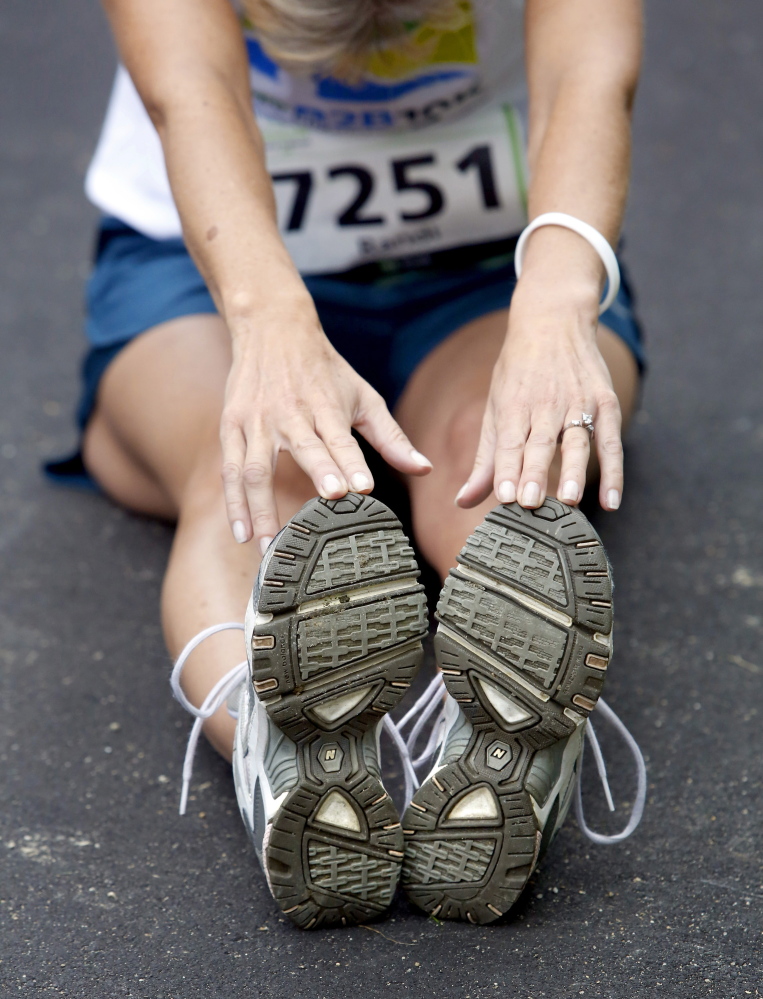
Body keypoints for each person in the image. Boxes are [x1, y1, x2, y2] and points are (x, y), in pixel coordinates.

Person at [52, 0, 646, 927]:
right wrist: (264, 320)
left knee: (496, 467)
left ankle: (500, 746)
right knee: (250, 483)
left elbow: (587, 66)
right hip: (205, 255)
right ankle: (280, 751)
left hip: (490, 261)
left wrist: (560, 306)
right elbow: (193, 87)